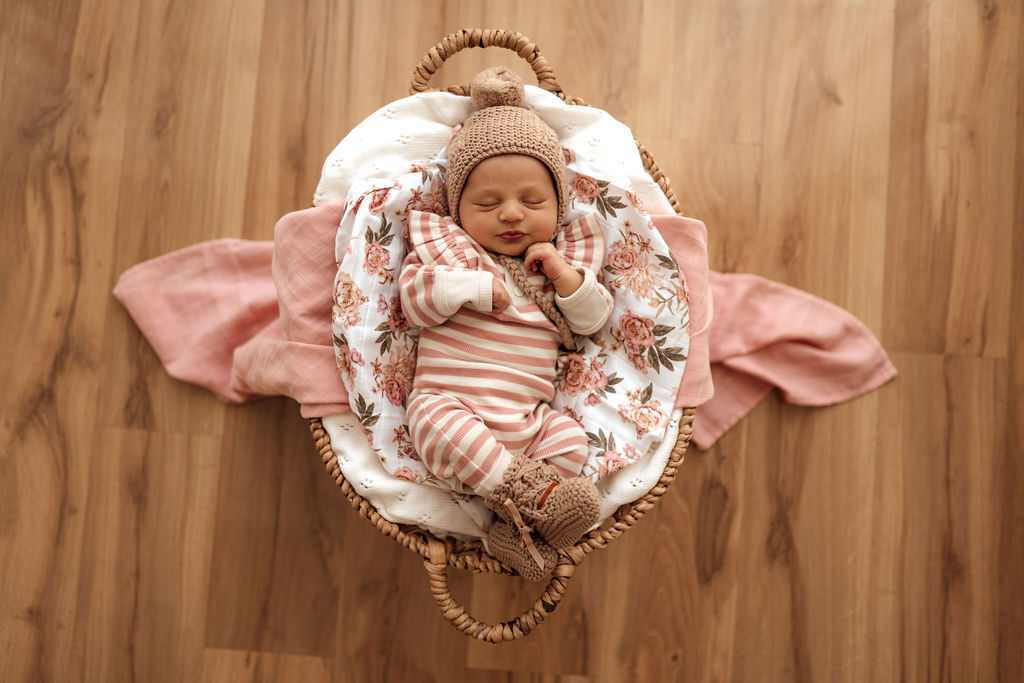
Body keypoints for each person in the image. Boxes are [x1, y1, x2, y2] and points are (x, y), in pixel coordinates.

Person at [399, 67, 614, 580]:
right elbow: (414, 301)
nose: (512, 215)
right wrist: (469, 288)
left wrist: (565, 278)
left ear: (558, 207)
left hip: (528, 424)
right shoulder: (450, 254)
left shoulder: (559, 264)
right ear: (458, 209)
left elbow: (593, 321)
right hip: (454, 405)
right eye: (488, 203)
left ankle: (506, 529)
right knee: (432, 421)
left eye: (533, 202)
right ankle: (532, 496)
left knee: (570, 440)